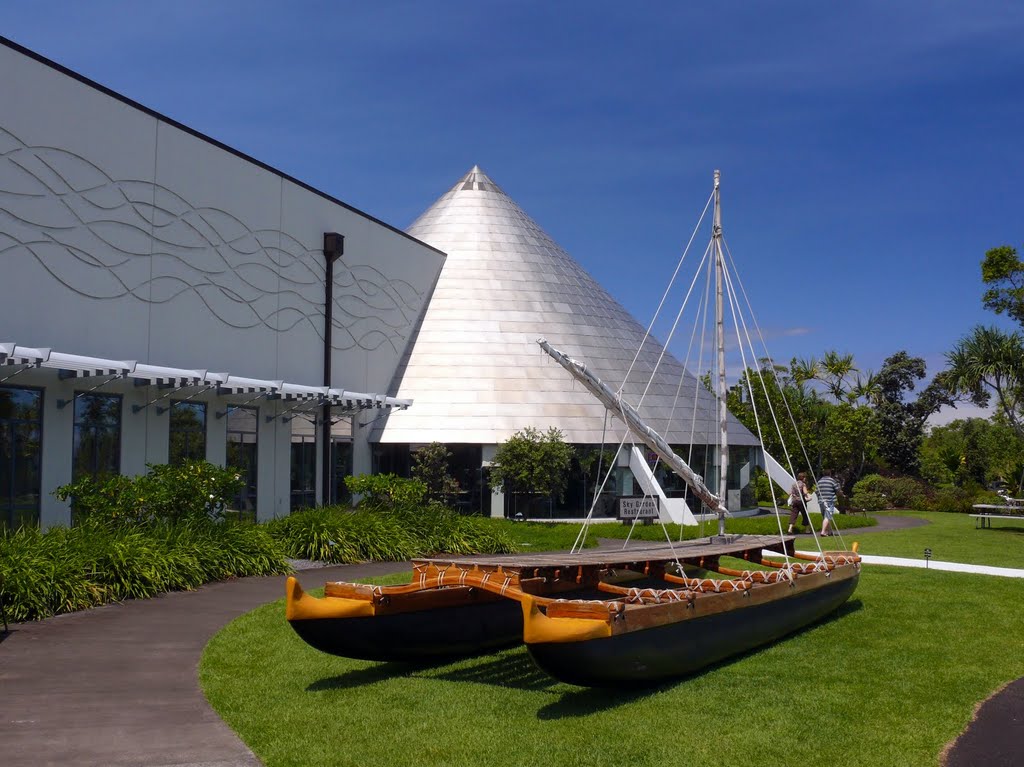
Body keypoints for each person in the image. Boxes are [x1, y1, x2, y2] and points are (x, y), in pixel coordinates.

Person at [816, 468, 841, 537]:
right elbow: (837, 490)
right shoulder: (832, 481)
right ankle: (823, 532)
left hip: (821, 501)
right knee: (828, 516)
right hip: (829, 501)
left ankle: (829, 532)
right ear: (830, 474)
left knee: (826, 516)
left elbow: (817, 491)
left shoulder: (819, 481)